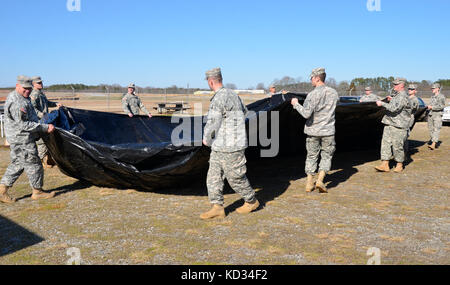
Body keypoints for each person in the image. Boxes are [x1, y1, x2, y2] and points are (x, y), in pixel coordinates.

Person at [200, 68, 259, 219]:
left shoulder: (219, 97)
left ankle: (251, 200)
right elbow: (245, 113)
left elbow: (213, 121)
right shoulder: (234, 95)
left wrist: (206, 137)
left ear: (210, 81)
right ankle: (217, 207)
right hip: (221, 145)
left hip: (231, 145)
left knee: (235, 177)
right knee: (213, 176)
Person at [0, 76, 56, 204]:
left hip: (22, 137)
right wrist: (44, 127)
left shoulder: (22, 97)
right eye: (25, 89)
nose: (27, 91)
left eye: (29, 89)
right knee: (35, 164)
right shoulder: (17, 102)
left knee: (18, 164)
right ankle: (37, 192)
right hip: (22, 138)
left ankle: (2, 190)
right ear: (17, 86)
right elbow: (23, 125)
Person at [290, 68, 339, 193]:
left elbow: (306, 114)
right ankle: (321, 180)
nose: (310, 80)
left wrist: (296, 104)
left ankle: (309, 183)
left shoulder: (312, 94)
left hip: (313, 131)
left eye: (311, 78)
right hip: (328, 131)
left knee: (312, 156)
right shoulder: (334, 93)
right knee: (326, 156)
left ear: (317, 78)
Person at [375, 78, 411, 173]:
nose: (394, 86)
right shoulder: (397, 95)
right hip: (389, 123)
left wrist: (382, 103)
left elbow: (394, 108)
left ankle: (399, 164)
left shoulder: (403, 96)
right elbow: (395, 103)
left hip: (399, 125)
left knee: (397, 146)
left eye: (396, 84)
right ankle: (385, 164)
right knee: (385, 144)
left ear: (402, 85)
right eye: (394, 84)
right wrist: (391, 99)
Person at [30, 76, 62, 168]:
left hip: (45, 120)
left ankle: (48, 160)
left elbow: (47, 103)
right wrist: (41, 115)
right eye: (38, 83)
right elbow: (32, 108)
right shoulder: (34, 95)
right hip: (40, 120)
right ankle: (39, 161)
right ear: (34, 84)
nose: (41, 84)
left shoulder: (41, 93)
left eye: (41, 82)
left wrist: (56, 104)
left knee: (48, 138)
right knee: (42, 141)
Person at [427, 83, 446, 150]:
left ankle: (434, 143)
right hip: (431, 115)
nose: (432, 89)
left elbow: (442, 106)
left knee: (436, 129)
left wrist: (432, 107)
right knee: (430, 129)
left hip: (437, 115)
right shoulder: (432, 97)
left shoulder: (441, 96)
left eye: (433, 88)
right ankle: (433, 140)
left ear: (438, 89)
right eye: (432, 88)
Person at [404, 84, 420, 154]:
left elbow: (410, 109)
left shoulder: (415, 100)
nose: (410, 90)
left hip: (408, 118)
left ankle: (405, 152)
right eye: (409, 89)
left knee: (405, 135)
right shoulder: (407, 98)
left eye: (412, 89)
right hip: (403, 118)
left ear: (415, 91)